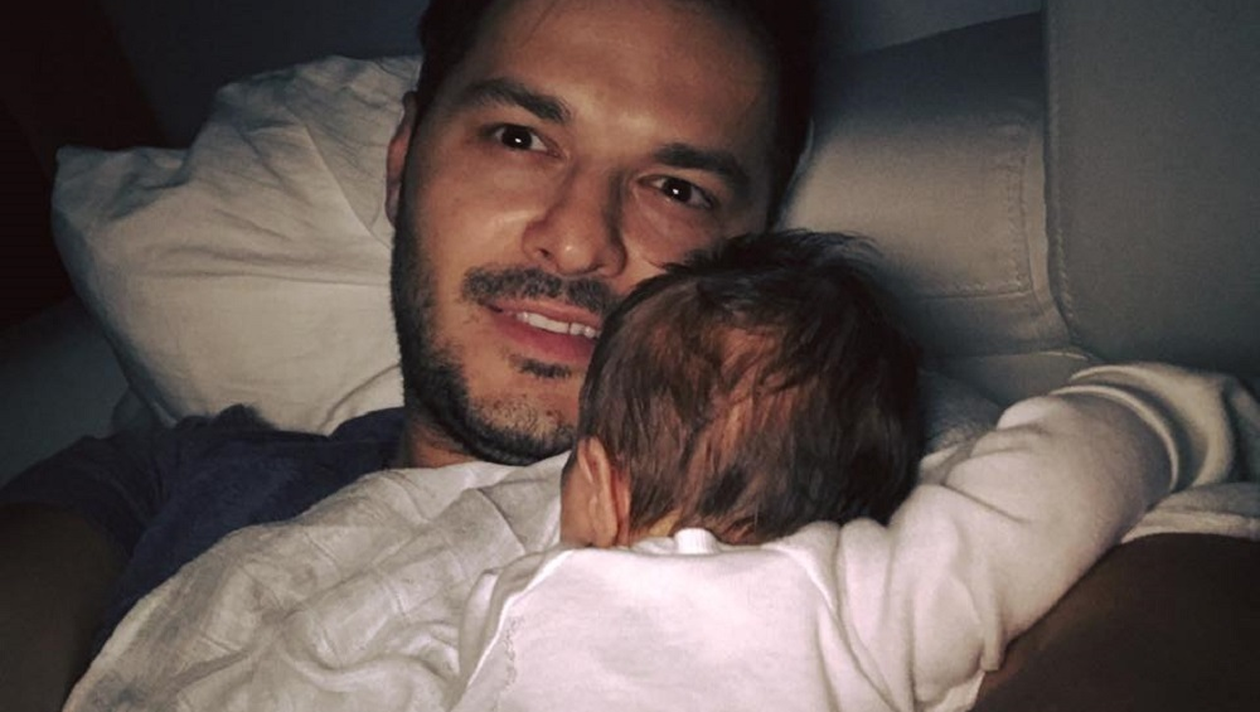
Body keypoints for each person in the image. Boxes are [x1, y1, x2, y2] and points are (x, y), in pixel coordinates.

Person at [0, 0, 1255, 710]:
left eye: (675, 186)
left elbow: (1197, 554)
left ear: (747, 243)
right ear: (403, 163)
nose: (578, 239)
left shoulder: (818, 438)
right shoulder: (175, 475)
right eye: (519, 138)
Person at [58, 232, 1258, 712]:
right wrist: (1170, 402)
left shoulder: (522, 591)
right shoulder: (864, 598)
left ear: (597, 476)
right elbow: (1065, 470)